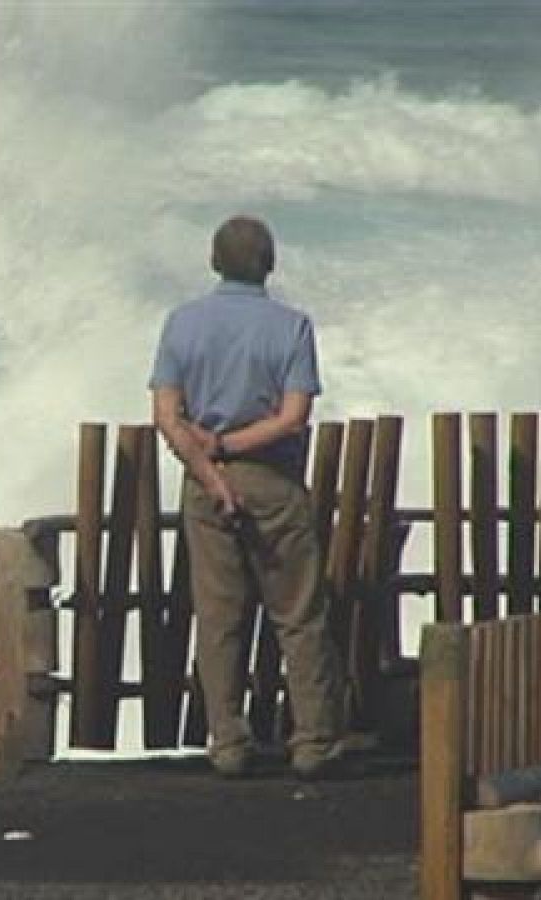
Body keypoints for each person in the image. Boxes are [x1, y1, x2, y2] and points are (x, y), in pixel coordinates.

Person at [148, 215, 346, 779]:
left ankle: (229, 743)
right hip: (274, 481)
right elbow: (293, 417)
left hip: (205, 482)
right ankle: (312, 742)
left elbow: (166, 416)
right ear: (270, 263)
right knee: (298, 615)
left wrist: (210, 468)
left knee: (218, 617)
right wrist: (233, 444)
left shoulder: (181, 324)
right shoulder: (292, 327)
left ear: (214, 263)